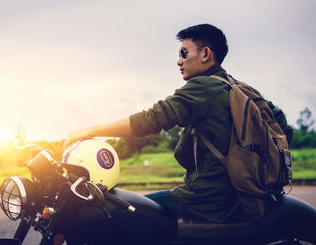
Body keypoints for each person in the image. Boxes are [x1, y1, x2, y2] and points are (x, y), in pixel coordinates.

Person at [63, 24, 291, 223]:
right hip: (241, 198)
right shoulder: (238, 87)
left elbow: (150, 120)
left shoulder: (203, 87)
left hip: (205, 200)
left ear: (205, 54)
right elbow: (283, 128)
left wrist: (90, 130)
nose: (178, 60)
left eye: (184, 52)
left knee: (120, 213)